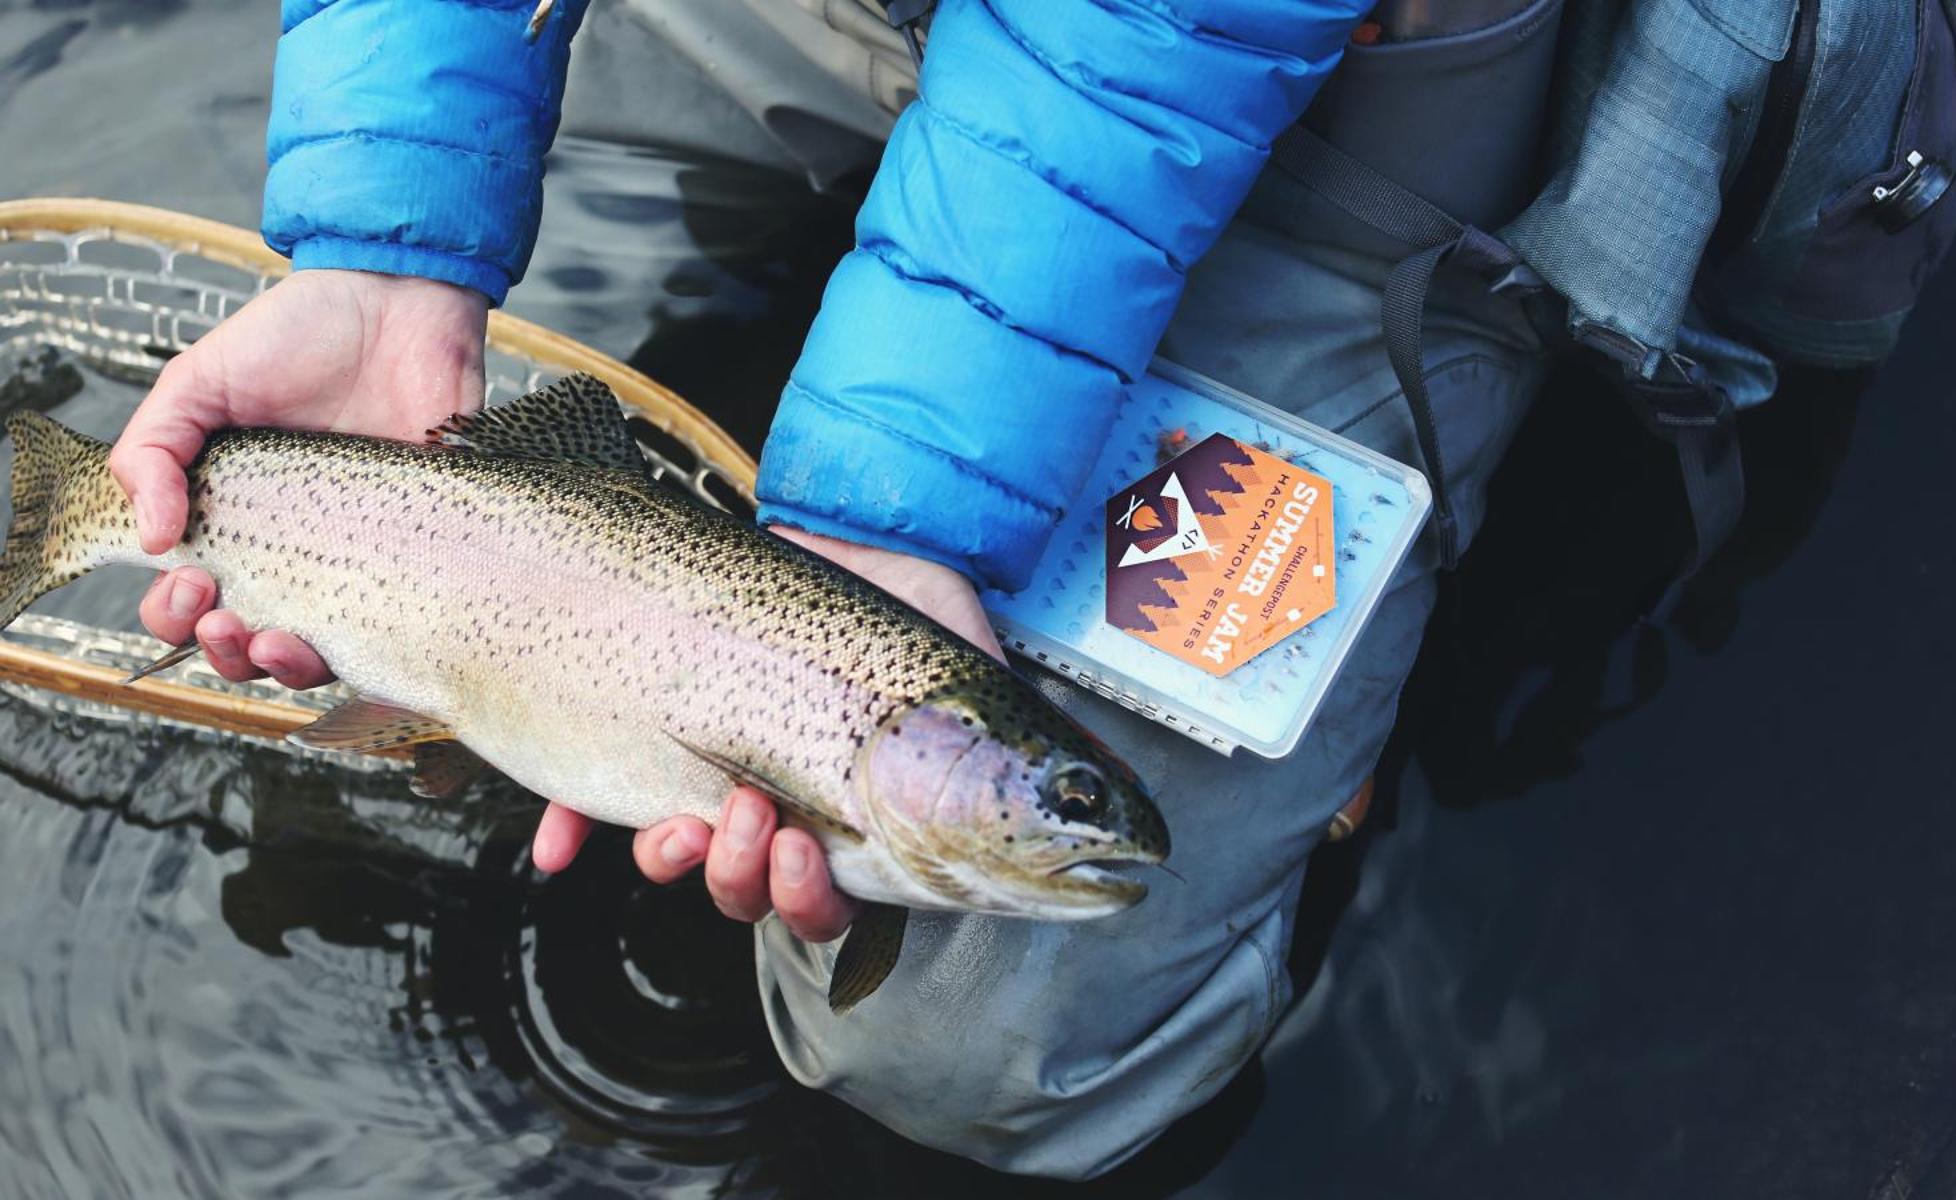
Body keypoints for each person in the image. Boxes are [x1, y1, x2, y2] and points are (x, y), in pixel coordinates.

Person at [106, 0, 1557, 1179]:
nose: (1074, 811)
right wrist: (387, 230)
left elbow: (1127, 56)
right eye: (1067, 796)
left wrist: (893, 514)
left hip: (1269, 89)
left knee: (986, 1051)